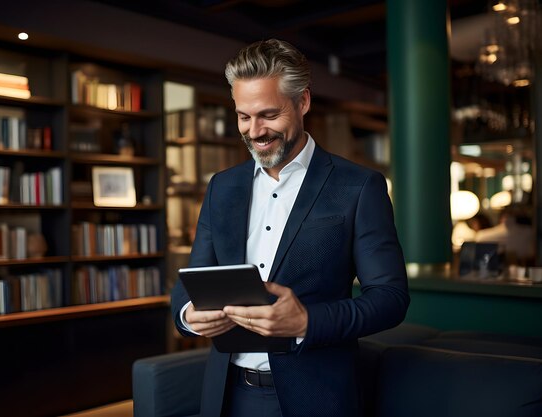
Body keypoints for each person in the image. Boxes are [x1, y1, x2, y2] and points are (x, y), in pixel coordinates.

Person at [171, 39, 409, 417]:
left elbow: (391, 298)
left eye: (268, 114)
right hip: (227, 395)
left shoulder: (359, 186)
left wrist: (307, 321)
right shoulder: (222, 186)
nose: (255, 131)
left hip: (317, 397)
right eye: (243, 116)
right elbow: (189, 283)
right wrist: (188, 315)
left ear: (303, 102)